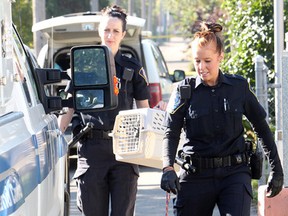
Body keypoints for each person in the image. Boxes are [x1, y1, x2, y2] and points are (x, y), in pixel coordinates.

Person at [160, 21, 284, 216]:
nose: (201, 67)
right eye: (197, 61)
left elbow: (261, 126)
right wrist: (167, 167)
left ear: (220, 57)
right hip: (196, 174)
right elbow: (171, 131)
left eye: (207, 61)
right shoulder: (184, 91)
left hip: (234, 174)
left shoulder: (238, 88)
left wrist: (277, 169)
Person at [59, 5, 151, 216]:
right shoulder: (84, 64)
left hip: (125, 150)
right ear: (100, 31)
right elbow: (69, 107)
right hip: (91, 149)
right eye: (106, 30)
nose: (110, 35)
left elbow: (144, 110)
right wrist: (57, 139)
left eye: (116, 31)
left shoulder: (132, 67)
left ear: (123, 35)